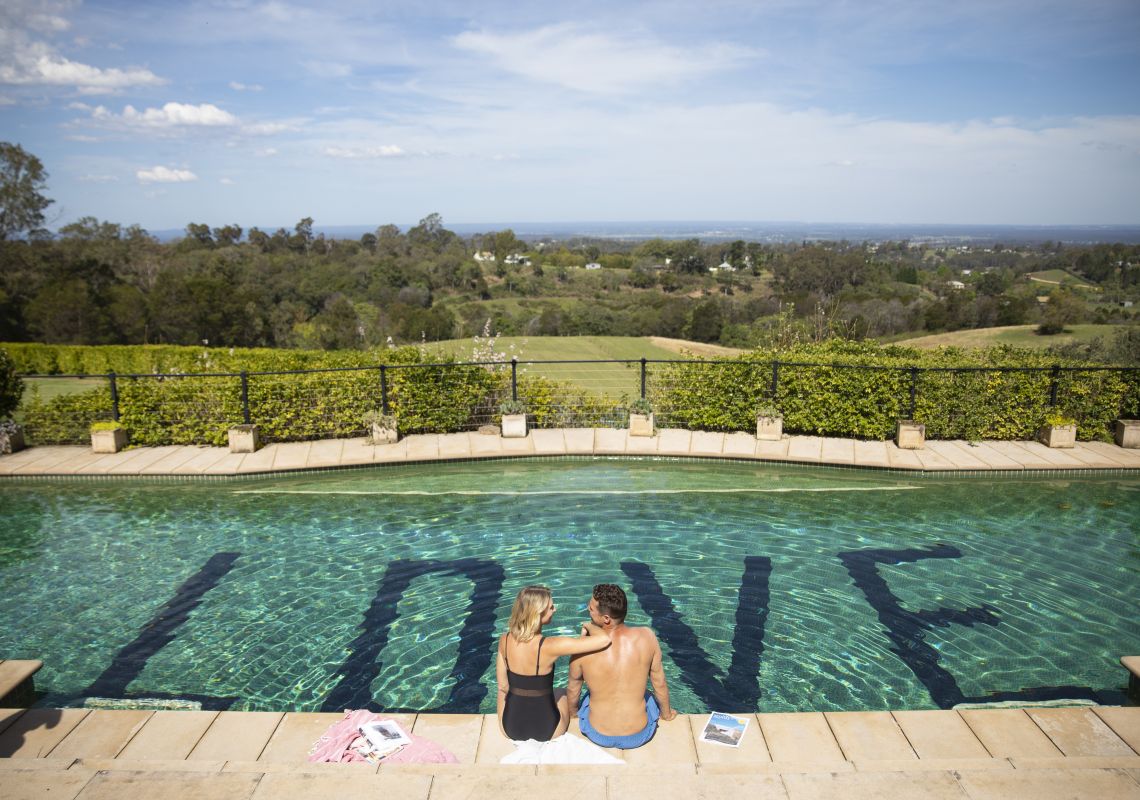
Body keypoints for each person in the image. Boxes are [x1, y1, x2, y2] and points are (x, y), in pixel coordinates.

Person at [567, 583, 677, 749]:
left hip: (598, 734)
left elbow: (573, 690)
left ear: (606, 619)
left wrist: (574, 715)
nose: (587, 611)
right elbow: (659, 683)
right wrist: (666, 714)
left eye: (590, 609)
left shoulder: (583, 647)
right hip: (639, 734)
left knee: (590, 694)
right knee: (646, 694)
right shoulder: (647, 637)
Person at [496, 585, 611, 741]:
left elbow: (503, 687)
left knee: (504, 691)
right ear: (537, 613)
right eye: (550, 607)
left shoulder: (504, 640)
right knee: (562, 692)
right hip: (548, 730)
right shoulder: (550, 645)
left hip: (510, 728)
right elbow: (604, 640)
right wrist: (589, 625)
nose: (555, 609)